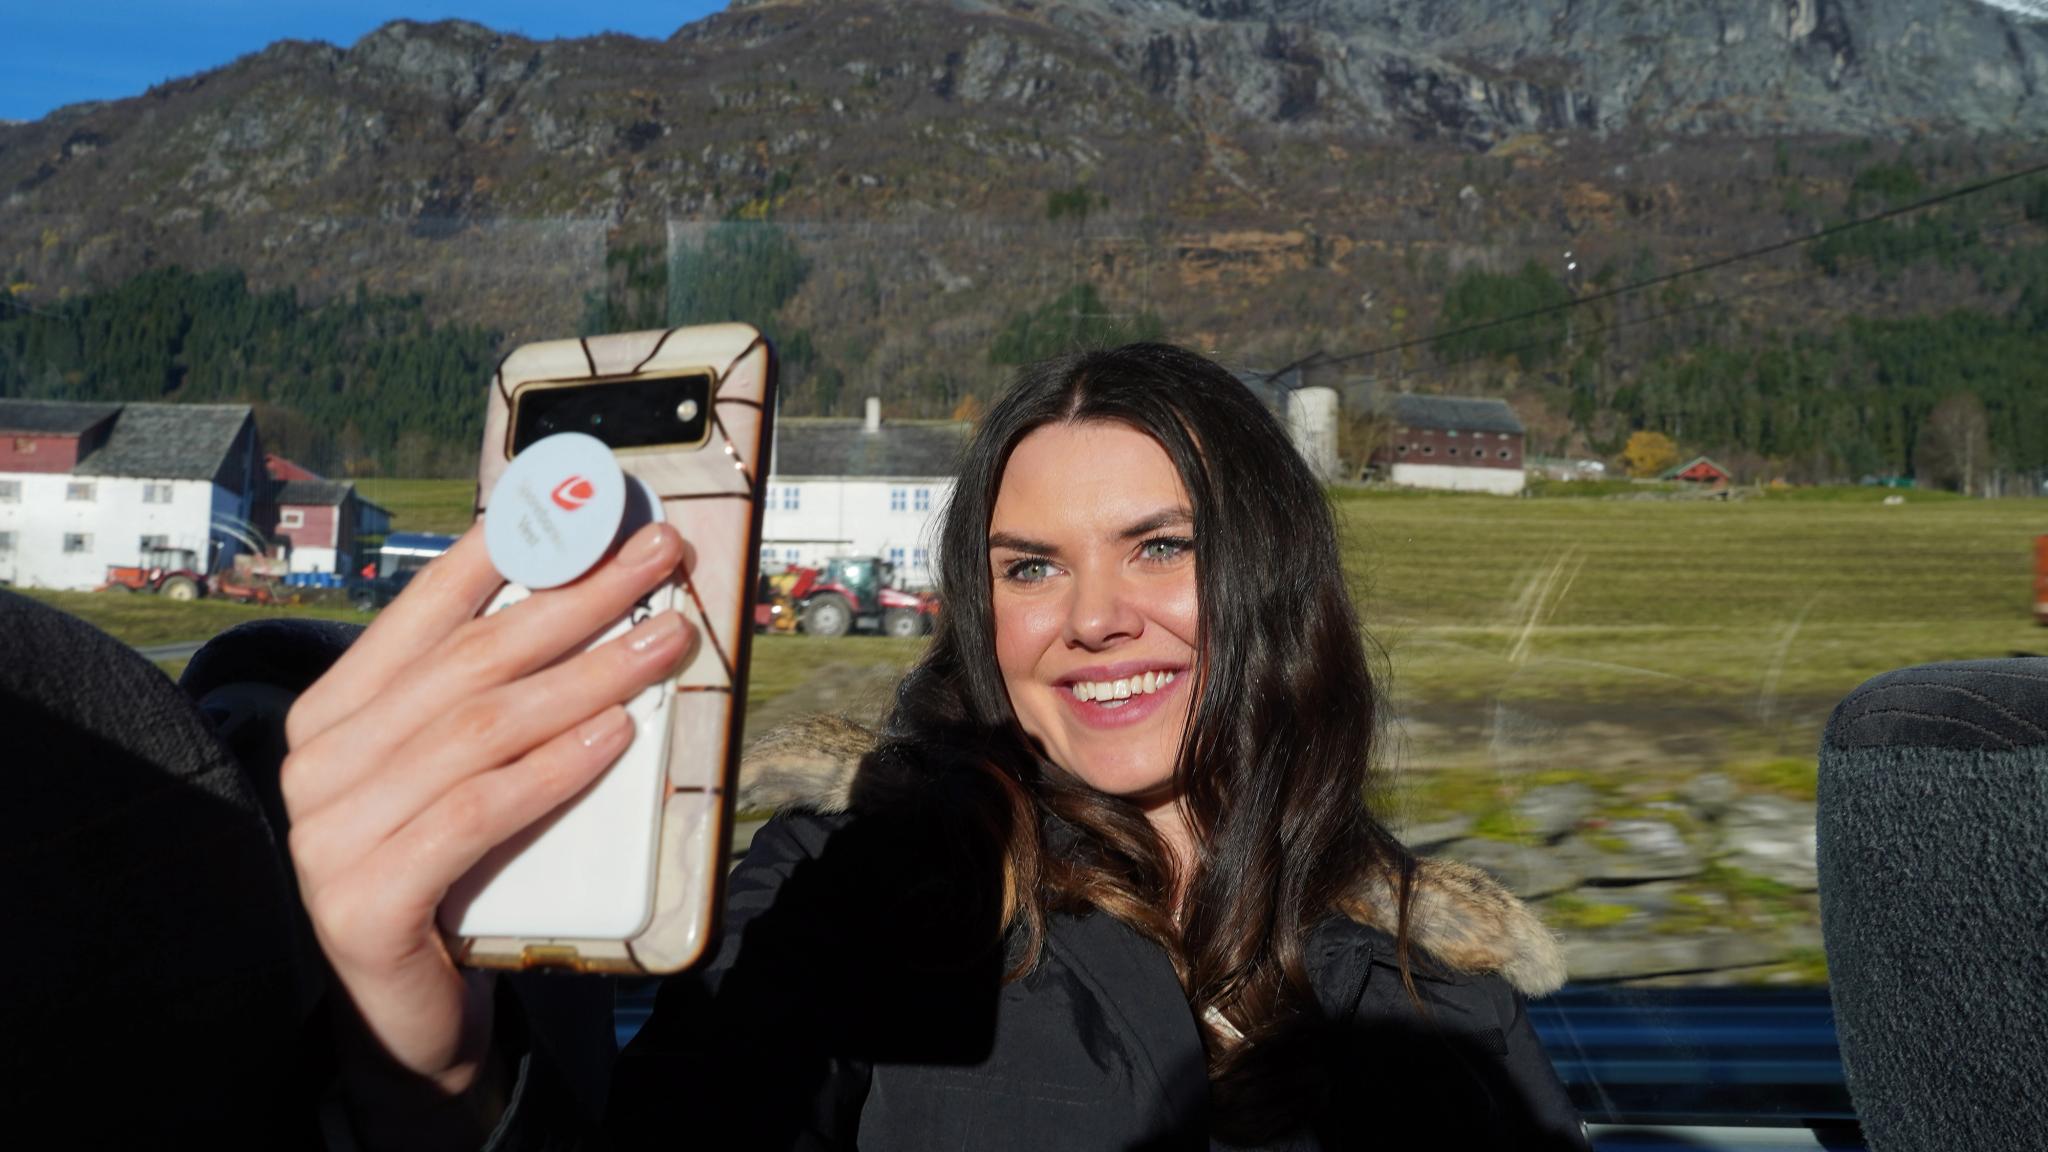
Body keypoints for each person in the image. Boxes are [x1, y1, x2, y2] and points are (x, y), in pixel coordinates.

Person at [274, 341, 1583, 1149]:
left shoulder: (1444, 995)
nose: (1089, 619)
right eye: (1030, 568)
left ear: (1279, 585)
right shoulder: (865, 901)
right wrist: (435, 1073)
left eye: (1161, 547)